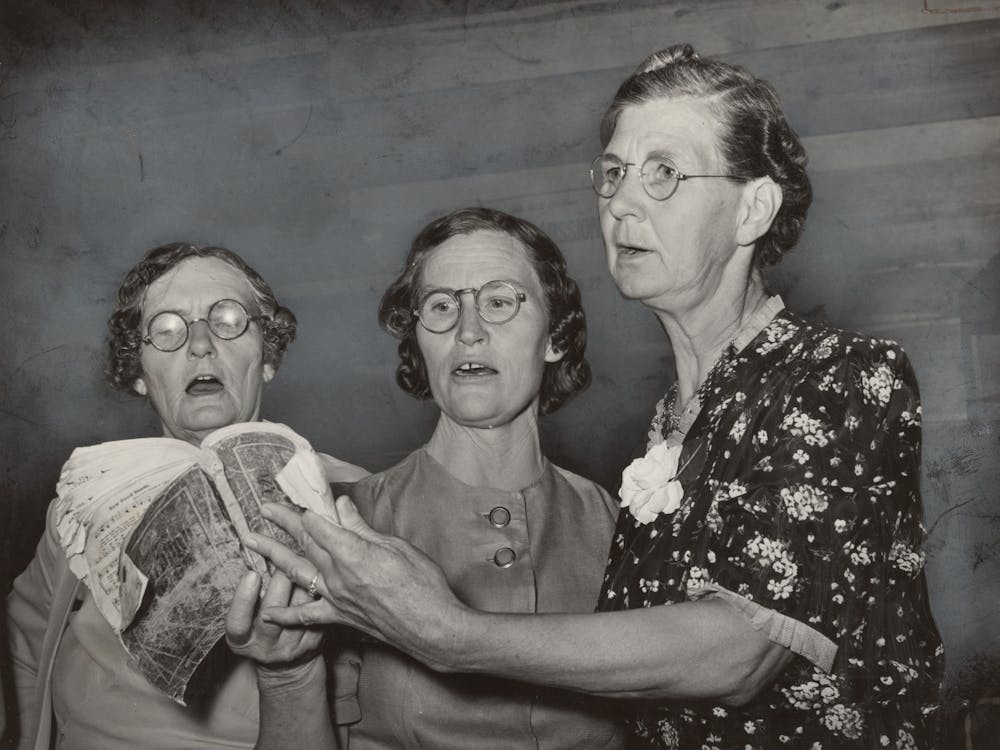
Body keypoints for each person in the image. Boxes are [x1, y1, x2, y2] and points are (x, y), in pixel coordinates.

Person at [251, 44, 945, 749]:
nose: (620, 203)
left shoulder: (838, 374)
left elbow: (742, 651)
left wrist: (449, 633)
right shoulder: (674, 427)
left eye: (664, 173)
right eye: (612, 174)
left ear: (753, 209)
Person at [239, 207, 626, 748]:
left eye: (499, 301)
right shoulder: (342, 524)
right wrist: (287, 676)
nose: (468, 332)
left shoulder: (616, 521)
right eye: (442, 306)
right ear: (420, 343)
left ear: (554, 337)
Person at [5, 242, 367, 750]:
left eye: (228, 319)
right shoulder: (85, 503)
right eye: (168, 329)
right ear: (137, 373)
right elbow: (24, 648)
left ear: (267, 358)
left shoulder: (356, 502)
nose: (200, 344)